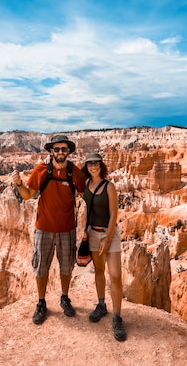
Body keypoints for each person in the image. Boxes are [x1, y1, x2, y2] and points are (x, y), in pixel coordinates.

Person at [11, 134, 86, 325]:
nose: (60, 152)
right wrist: (19, 184)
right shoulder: (41, 170)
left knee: (66, 266)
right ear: (51, 151)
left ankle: (64, 297)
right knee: (41, 266)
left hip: (67, 228)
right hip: (43, 228)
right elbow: (28, 195)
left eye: (64, 149)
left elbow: (85, 194)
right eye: (57, 149)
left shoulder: (74, 173)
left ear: (68, 151)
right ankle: (41, 302)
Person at [82, 152, 127, 341]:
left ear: (101, 166)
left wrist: (107, 240)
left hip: (109, 235)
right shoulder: (86, 185)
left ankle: (117, 317)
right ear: (87, 167)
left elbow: (113, 215)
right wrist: (84, 230)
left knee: (115, 276)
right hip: (92, 233)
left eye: (96, 163)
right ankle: (102, 305)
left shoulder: (109, 187)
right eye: (90, 164)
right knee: (99, 270)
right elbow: (86, 210)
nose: (93, 167)